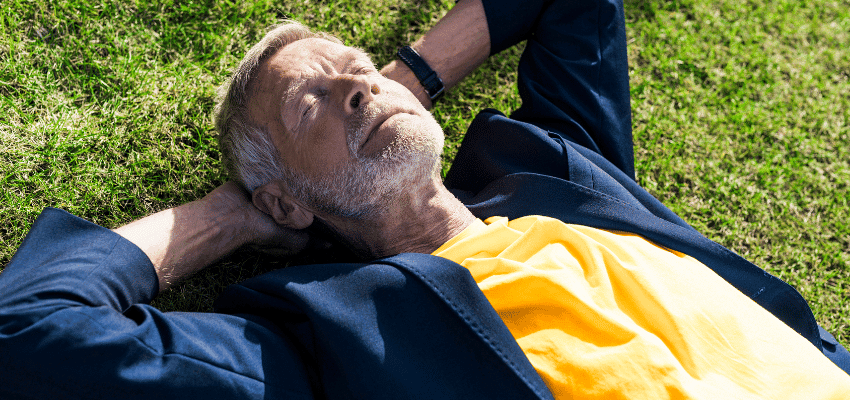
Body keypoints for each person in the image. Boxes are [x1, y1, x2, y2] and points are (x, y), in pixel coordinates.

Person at [1, 0, 848, 398]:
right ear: (290, 203)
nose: (356, 88)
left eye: (355, 68)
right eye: (314, 105)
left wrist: (404, 80)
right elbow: (31, 326)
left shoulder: (559, 167)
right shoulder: (329, 340)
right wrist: (235, 212)